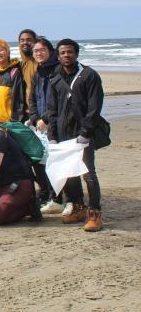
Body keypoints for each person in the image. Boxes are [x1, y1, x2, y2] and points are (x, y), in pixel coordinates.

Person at [47, 38, 105, 231]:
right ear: (58, 55)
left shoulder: (89, 75)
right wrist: (52, 134)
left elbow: (94, 107)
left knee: (88, 173)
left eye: (70, 52)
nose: (66, 55)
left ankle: (95, 213)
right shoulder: (55, 78)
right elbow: (52, 110)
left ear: (77, 53)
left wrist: (86, 132)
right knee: (69, 173)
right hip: (64, 135)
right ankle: (78, 207)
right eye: (62, 52)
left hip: (83, 134)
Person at [28, 37, 63, 213]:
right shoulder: (38, 73)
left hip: (55, 125)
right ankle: (49, 195)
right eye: (35, 51)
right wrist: (35, 118)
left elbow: (59, 100)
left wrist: (46, 119)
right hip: (39, 125)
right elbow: (32, 98)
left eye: (42, 50)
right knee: (39, 161)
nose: (38, 53)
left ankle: (58, 198)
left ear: (50, 51)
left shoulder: (58, 70)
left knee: (54, 162)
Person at [0, 39, 25, 123]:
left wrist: (15, 122)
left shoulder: (14, 72)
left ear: (8, 52)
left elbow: (19, 100)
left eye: (1, 50)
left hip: (9, 122)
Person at [18, 29, 38, 110]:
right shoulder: (23, 64)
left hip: (41, 112)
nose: (25, 42)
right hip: (28, 111)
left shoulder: (40, 62)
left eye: (29, 40)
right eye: (22, 40)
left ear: (35, 42)